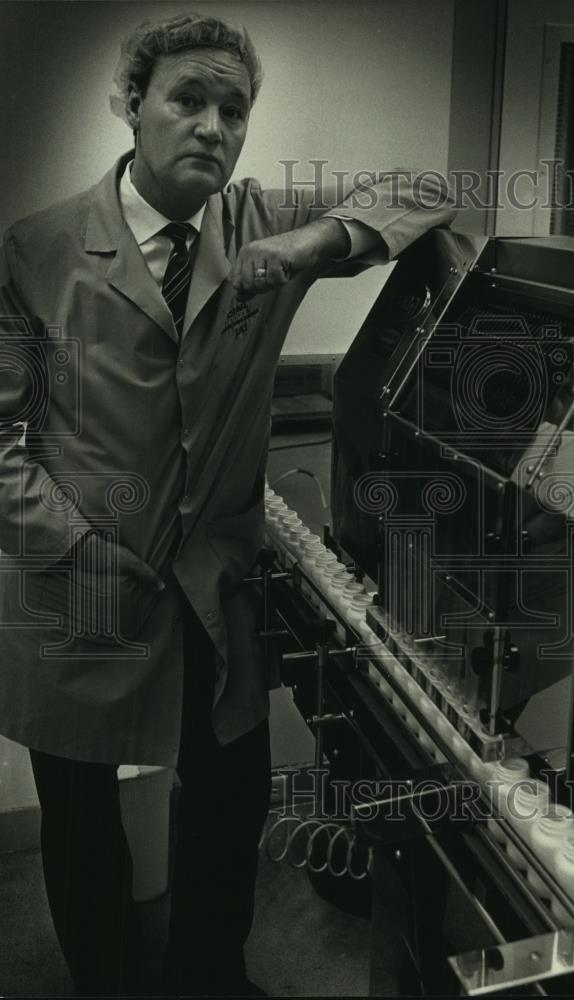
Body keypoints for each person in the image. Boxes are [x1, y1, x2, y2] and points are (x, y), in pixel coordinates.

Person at [0, 12, 456, 997]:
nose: (214, 124)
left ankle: (212, 971)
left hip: (218, 584)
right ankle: (105, 980)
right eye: (189, 99)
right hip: (78, 582)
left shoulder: (259, 222)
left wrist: (314, 244)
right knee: (79, 820)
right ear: (130, 103)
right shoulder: (37, 248)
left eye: (234, 108)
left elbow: (426, 190)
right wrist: (69, 546)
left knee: (226, 801)